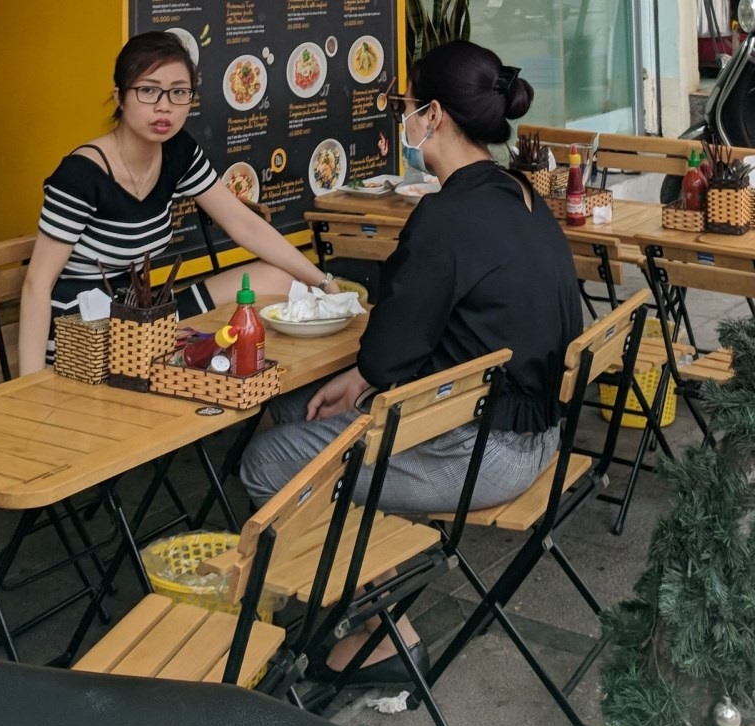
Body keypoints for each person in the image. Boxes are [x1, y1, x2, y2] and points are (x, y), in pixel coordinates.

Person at [241, 40, 581, 515]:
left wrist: (366, 378)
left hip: (480, 450)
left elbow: (386, 355)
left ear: (433, 115)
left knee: (263, 462)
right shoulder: (518, 190)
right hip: (531, 427)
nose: (402, 119)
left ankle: (351, 562)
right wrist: (364, 378)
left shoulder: (445, 216)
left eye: (404, 106)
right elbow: (396, 352)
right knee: (288, 408)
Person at [18, 32, 338, 373]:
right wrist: (30, 386)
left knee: (279, 280)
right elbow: (37, 284)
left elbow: (243, 224)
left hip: (142, 313)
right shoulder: (81, 174)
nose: (164, 106)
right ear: (120, 97)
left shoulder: (177, 151)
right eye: (148, 90)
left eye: (178, 92)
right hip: (84, 330)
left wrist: (324, 282)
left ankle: (293, 378)